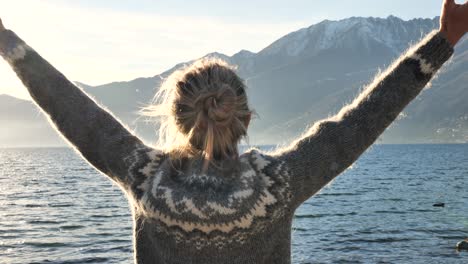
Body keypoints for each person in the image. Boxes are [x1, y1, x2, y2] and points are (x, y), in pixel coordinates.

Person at [0, 0, 467, 263]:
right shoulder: (277, 186)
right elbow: (360, 123)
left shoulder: (146, 178)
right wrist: (443, 41)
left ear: (177, 117)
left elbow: (72, 108)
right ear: (244, 116)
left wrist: (8, 42)